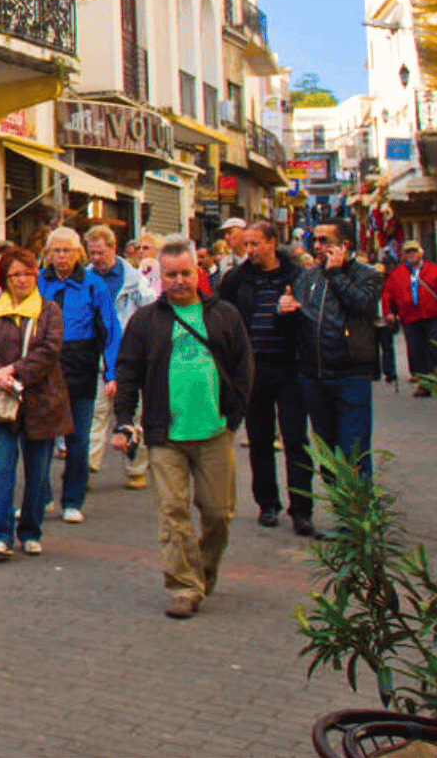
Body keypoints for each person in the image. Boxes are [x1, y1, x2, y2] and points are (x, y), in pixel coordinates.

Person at [111, 236, 254, 618]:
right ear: (161, 277)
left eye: (185, 273)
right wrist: (124, 420)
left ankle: (204, 571)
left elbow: (243, 367)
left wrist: (234, 415)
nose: (179, 281)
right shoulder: (145, 322)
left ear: (198, 272)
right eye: (170, 275)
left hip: (214, 432)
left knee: (219, 513)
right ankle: (183, 586)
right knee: (172, 512)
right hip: (165, 436)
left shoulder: (224, 315)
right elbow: (127, 372)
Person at [218, 220, 312, 535]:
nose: (250, 250)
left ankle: (302, 508)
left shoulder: (297, 277)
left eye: (255, 244)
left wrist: (295, 311)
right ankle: (267, 504)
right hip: (253, 369)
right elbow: (223, 320)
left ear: (272, 242)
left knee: (296, 439)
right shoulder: (236, 279)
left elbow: (313, 319)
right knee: (259, 438)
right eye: (247, 244)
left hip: (290, 367)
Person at [0, 247, 68, 559]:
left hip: (42, 400)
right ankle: (0, 534)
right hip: (2, 402)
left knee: (38, 473)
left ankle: (30, 530)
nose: (22, 279)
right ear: (4, 278)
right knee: (0, 469)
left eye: (28, 273)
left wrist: (14, 370)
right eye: (14, 274)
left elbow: (49, 350)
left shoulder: (49, 310)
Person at [283, 222, 383, 485]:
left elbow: (362, 305)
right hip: (314, 374)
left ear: (344, 245)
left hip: (351, 374)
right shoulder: (308, 276)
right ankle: (341, 511)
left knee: (353, 451)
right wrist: (285, 309)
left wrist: (336, 274)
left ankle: (356, 519)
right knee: (327, 452)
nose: (316, 246)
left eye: (324, 240)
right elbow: (301, 316)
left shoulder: (367, 274)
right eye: (314, 240)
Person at [36, 227, 120, 524]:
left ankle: (72, 499)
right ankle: (40, 496)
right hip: (45, 364)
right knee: (42, 434)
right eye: (56, 251)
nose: (61, 257)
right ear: (48, 254)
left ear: (78, 254)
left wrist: (112, 372)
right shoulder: (38, 282)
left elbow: (110, 330)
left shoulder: (94, 285)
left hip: (80, 363)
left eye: (67, 251)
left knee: (78, 437)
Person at [82, 225, 155, 488]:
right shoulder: (84, 278)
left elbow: (150, 312)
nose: (96, 258)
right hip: (97, 357)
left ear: (113, 249)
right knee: (96, 413)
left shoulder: (136, 281)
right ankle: (86, 470)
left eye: (100, 252)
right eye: (91, 253)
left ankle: (136, 469)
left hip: (130, 358)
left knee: (134, 415)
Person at [382, 240, 437, 396]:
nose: (411, 254)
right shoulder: (397, 274)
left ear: (420, 253)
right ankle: (423, 382)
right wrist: (389, 312)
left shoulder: (434, 270)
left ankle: (436, 376)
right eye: (408, 252)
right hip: (410, 318)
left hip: (433, 316)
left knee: (435, 347)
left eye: (414, 251)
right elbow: (388, 295)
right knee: (416, 351)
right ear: (403, 255)